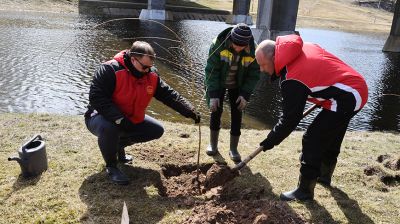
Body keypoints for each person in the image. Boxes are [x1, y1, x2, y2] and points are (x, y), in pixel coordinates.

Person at [255, 34, 368, 201]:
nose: (262, 70)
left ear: (274, 56)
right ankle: (324, 175)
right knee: (332, 135)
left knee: (312, 139)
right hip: (355, 87)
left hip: (348, 96)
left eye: (263, 64)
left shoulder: (292, 79)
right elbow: (322, 69)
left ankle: (305, 191)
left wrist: (270, 140)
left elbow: (290, 119)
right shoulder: (300, 47)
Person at [85, 41, 200, 185]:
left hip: (129, 117)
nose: (147, 70)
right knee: (110, 128)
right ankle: (112, 166)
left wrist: (190, 110)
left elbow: (169, 95)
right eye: (144, 67)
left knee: (156, 130)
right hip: (100, 118)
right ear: (133, 59)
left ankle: (118, 145)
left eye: (150, 67)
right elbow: (97, 98)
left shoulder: (151, 74)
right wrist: (119, 119)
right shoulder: (109, 70)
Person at [204, 23, 260, 163]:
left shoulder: (254, 50)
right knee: (215, 110)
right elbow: (211, 71)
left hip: (238, 85)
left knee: (237, 112)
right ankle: (213, 145)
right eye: (235, 45)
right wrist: (214, 95)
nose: (237, 48)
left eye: (241, 46)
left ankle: (233, 149)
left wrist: (245, 94)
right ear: (231, 39)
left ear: (247, 44)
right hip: (219, 83)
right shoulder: (217, 44)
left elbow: (254, 75)